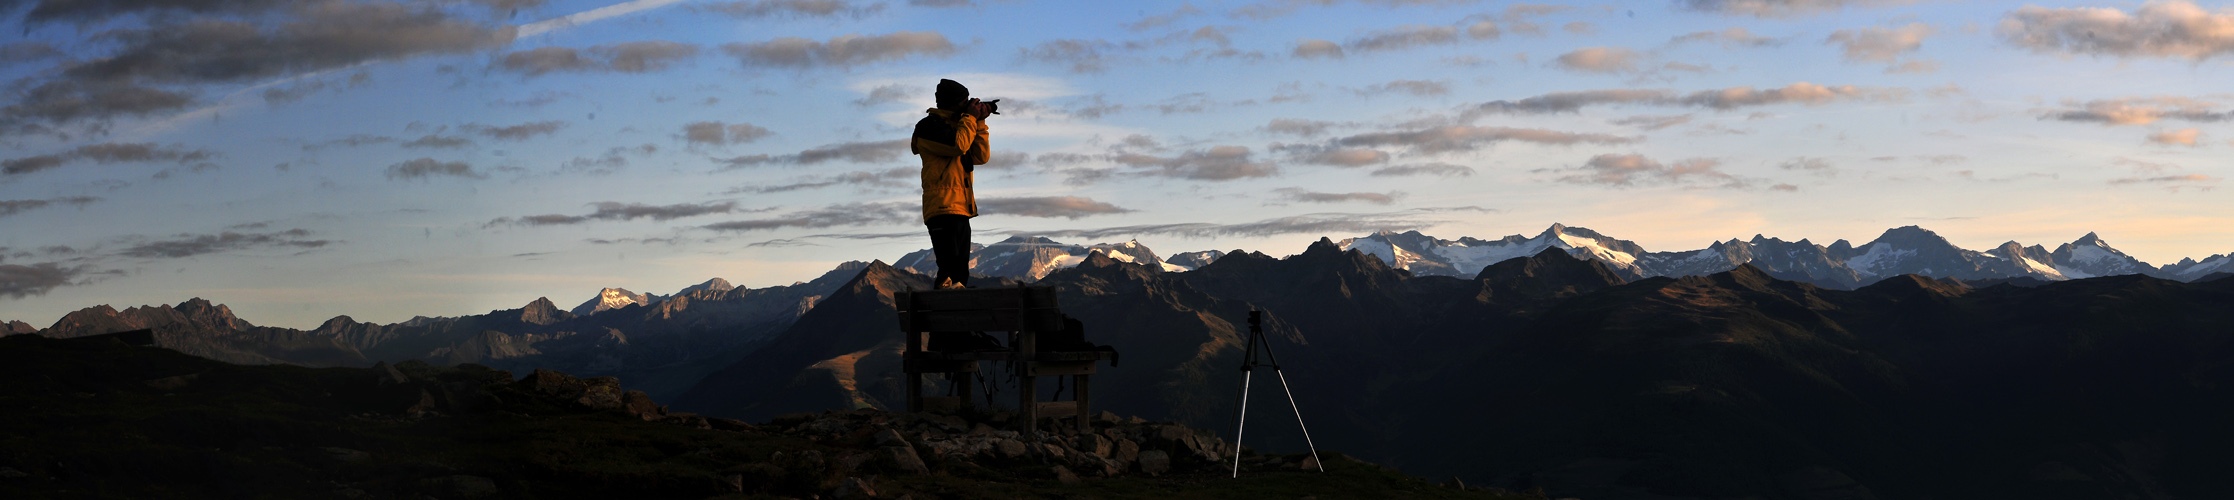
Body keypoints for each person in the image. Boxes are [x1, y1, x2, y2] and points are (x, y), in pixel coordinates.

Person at [912, 79, 993, 290]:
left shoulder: (961, 125)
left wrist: (980, 123)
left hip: (960, 206)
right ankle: (943, 312)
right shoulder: (929, 127)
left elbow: (981, 156)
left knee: (960, 272)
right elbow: (958, 146)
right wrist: (970, 118)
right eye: (964, 102)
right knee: (948, 268)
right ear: (952, 103)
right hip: (941, 205)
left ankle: (960, 312)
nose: (968, 105)